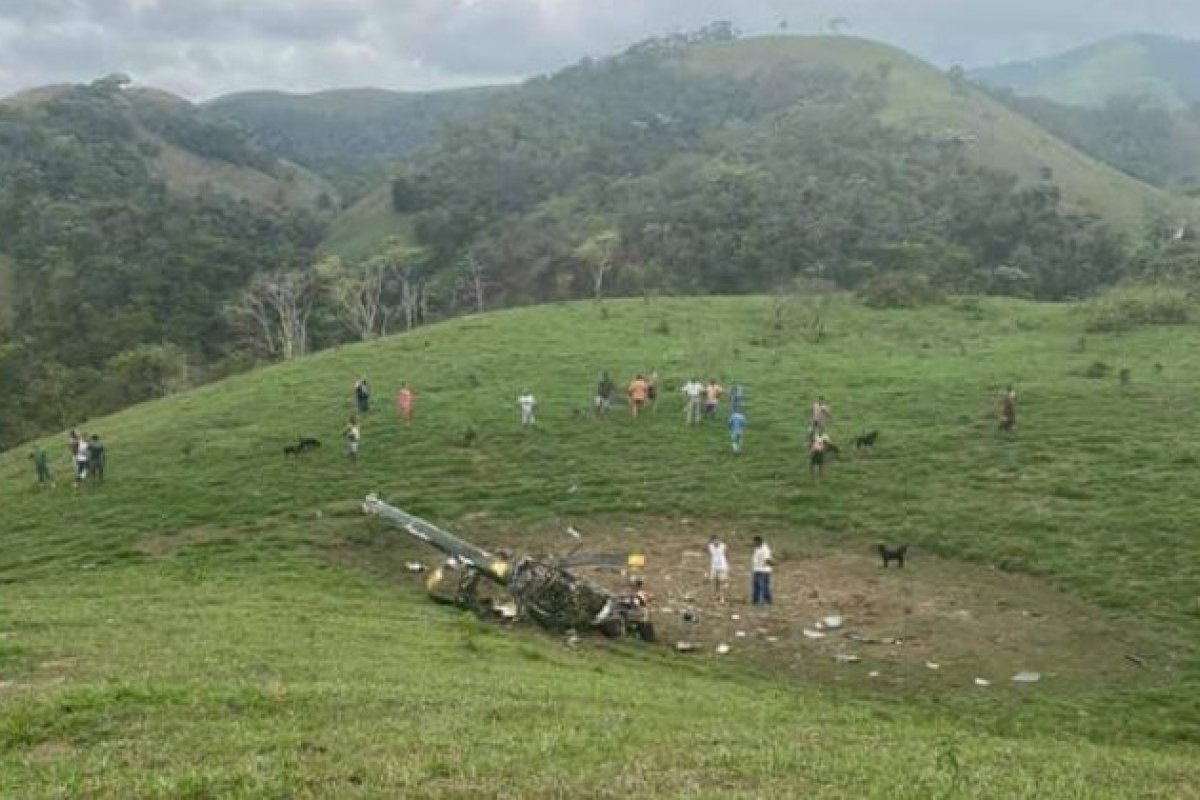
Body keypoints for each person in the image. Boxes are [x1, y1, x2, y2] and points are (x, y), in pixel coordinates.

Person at [751, 536, 773, 606]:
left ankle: (765, 600)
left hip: (764, 570)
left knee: (763, 586)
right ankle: (756, 600)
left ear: (759, 541)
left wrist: (772, 563)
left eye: (755, 542)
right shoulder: (757, 548)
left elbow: (767, 560)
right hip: (757, 569)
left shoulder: (765, 549)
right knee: (756, 585)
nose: (754, 543)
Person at [707, 535, 730, 604]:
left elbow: (727, 554)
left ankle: (722, 597)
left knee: (722, 582)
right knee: (715, 582)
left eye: (717, 540)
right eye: (714, 541)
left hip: (722, 567)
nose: (716, 542)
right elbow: (710, 555)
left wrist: (728, 566)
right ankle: (716, 595)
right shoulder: (710, 547)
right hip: (714, 567)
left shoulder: (723, 546)